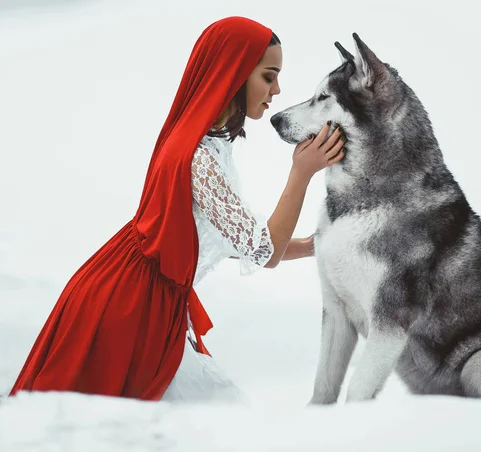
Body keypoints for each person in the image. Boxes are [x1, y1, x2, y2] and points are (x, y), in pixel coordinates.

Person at [9, 16, 345, 403]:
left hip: (141, 300)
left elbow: (243, 240)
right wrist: (300, 173)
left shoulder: (205, 145)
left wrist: (321, 243)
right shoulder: (197, 157)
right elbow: (262, 250)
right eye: (268, 76)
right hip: (128, 306)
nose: (277, 89)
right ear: (233, 73)